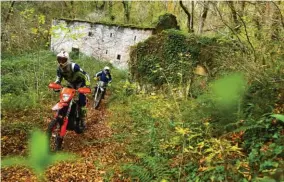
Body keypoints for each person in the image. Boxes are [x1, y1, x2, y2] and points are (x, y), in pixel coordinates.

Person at [54, 50, 90, 127]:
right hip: (71, 83)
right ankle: (62, 114)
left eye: (63, 60)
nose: (61, 62)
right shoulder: (59, 69)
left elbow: (86, 75)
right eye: (59, 59)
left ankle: (83, 119)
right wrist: (57, 85)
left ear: (67, 60)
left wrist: (87, 85)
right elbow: (58, 78)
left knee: (81, 99)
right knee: (64, 98)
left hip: (80, 83)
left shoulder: (74, 66)